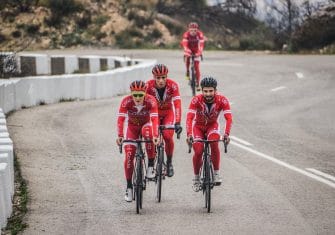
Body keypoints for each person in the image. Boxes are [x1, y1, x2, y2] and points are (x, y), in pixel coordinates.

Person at [185, 76, 232, 190]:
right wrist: (189, 134)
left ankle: (216, 173)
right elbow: (189, 118)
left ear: (215, 90)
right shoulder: (196, 100)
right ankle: (196, 178)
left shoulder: (222, 100)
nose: (208, 94)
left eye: (211, 91)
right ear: (201, 90)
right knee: (199, 150)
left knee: (214, 143)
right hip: (198, 127)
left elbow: (229, 118)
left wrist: (226, 134)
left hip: (212, 126)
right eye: (205, 91)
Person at [116, 80, 159, 202]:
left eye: (141, 94)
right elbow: (120, 120)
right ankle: (129, 187)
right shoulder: (126, 101)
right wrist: (120, 135)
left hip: (146, 125)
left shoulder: (151, 100)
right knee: (129, 155)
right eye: (135, 95)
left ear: (145, 92)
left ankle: (151, 165)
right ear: (131, 93)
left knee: (148, 133)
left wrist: (155, 135)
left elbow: (155, 119)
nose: (138, 97)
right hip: (132, 129)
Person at [146, 64, 182, 177]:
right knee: (151, 136)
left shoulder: (173, 85)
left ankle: (169, 163)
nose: (161, 80)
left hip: (168, 113)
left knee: (167, 136)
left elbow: (177, 104)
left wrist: (177, 122)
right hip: (153, 114)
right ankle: (151, 162)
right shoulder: (148, 86)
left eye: (163, 77)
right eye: (158, 78)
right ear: (154, 77)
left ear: (167, 76)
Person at [180, 22, 205, 92]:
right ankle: (187, 70)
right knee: (188, 58)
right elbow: (185, 44)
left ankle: (198, 83)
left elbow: (201, 45)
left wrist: (199, 52)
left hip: (196, 50)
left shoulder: (200, 34)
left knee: (197, 67)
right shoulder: (186, 34)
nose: (193, 32)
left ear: (197, 30)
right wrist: (187, 51)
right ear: (189, 30)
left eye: (195, 30)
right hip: (188, 49)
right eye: (191, 30)